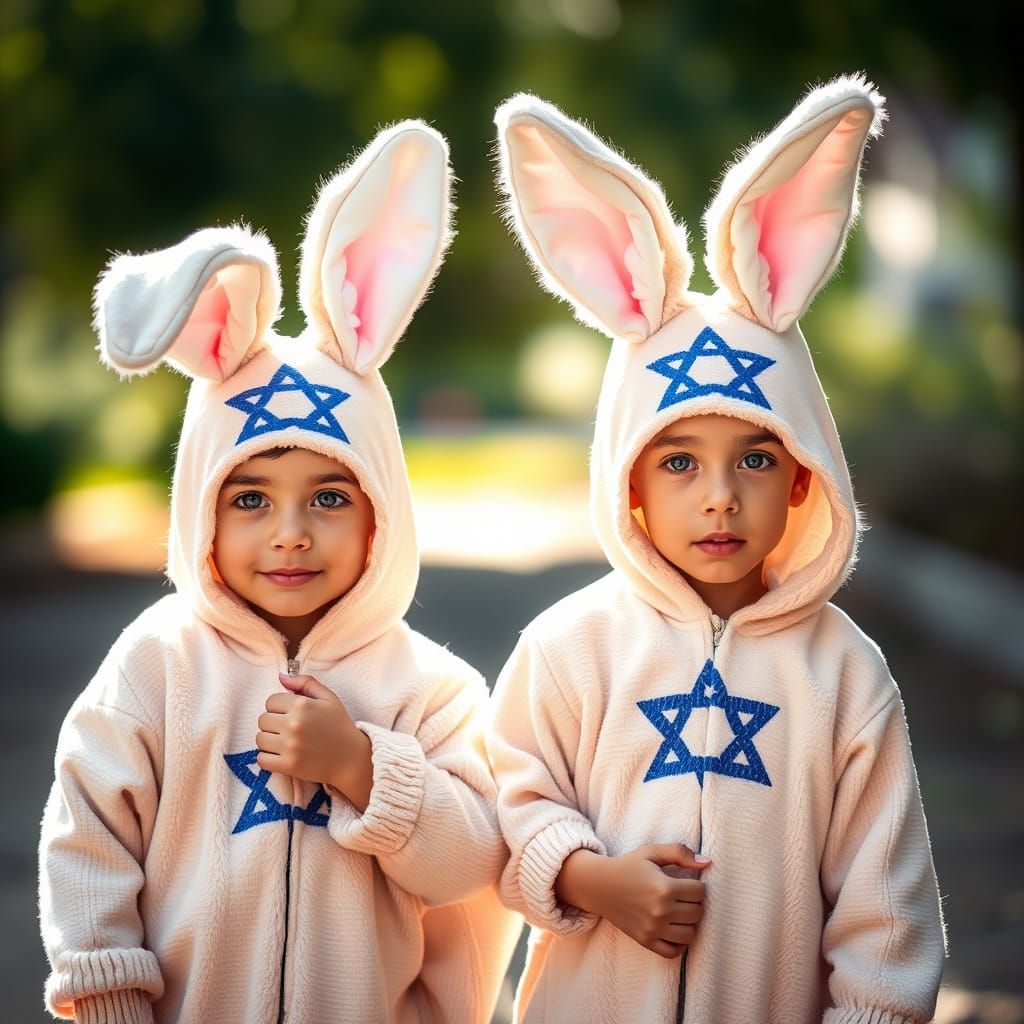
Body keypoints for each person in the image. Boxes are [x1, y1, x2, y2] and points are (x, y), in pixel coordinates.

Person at [39, 122, 520, 1024]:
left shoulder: (433, 691)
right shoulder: (156, 669)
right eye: (250, 500)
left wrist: (364, 766)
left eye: (330, 499)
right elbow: (86, 844)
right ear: (199, 508)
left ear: (383, 503)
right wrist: (109, 1005)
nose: (290, 535)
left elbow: (476, 862)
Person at [486, 78, 945, 1023]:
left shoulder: (847, 680)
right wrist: (590, 878)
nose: (721, 496)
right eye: (681, 461)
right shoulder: (567, 651)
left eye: (756, 458)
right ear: (630, 482)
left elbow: (886, 918)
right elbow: (507, 806)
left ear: (806, 479)